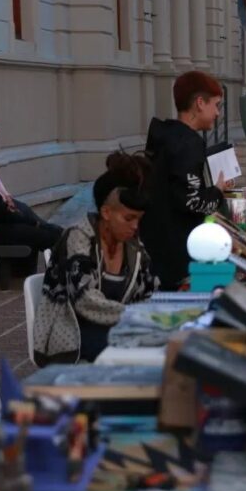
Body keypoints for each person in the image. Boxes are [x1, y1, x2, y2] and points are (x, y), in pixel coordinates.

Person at [33, 152, 158, 366]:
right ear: (106, 212)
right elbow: (85, 300)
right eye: (129, 218)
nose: (135, 226)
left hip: (111, 329)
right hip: (72, 336)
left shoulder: (133, 247)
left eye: (139, 219)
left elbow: (149, 291)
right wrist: (137, 316)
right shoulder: (78, 237)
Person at [141, 71, 229, 290]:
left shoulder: (167, 138)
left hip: (157, 248)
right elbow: (192, 201)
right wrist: (218, 192)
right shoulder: (187, 144)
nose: (217, 113)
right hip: (178, 256)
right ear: (200, 103)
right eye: (216, 105)